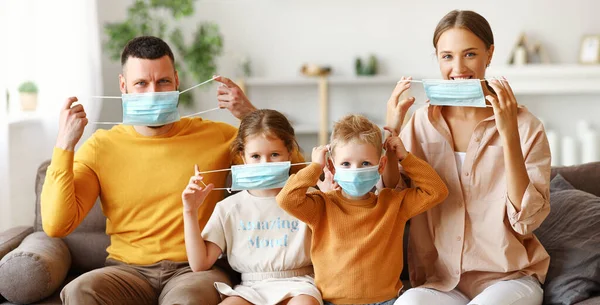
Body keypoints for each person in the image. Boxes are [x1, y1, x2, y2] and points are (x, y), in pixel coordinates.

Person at [40, 36, 298, 305]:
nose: (154, 93)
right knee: (79, 291)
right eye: (141, 83)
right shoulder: (99, 147)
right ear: (123, 86)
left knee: (185, 301)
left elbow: (292, 175)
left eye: (162, 81)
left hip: (194, 269)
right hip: (126, 270)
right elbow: (57, 225)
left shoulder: (217, 136)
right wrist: (64, 143)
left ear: (176, 82)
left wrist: (250, 115)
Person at [385, 10, 551, 305]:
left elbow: (527, 221)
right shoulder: (421, 123)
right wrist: (389, 134)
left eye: (470, 54)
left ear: (489, 54)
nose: (458, 67)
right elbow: (392, 199)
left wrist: (509, 134)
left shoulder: (526, 126)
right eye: (447, 56)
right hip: (441, 282)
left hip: (509, 278)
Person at [277, 114, 449, 305]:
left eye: (365, 163)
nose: (355, 170)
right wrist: (316, 166)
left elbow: (436, 191)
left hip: (386, 301)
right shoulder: (321, 205)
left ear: (381, 165)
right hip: (331, 302)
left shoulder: (394, 204)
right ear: (333, 167)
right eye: (346, 164)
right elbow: (287, 199)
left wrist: (405, 158)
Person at [182, 109, 322, 305]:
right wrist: (190, 211)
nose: (264, 163)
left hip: (300, 285)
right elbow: (199, 263)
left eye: (274, 154)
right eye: (255, 156)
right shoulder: (228, 208)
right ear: (242, 156)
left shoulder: (308, 199)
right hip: (250, 289)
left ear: (289, 152)